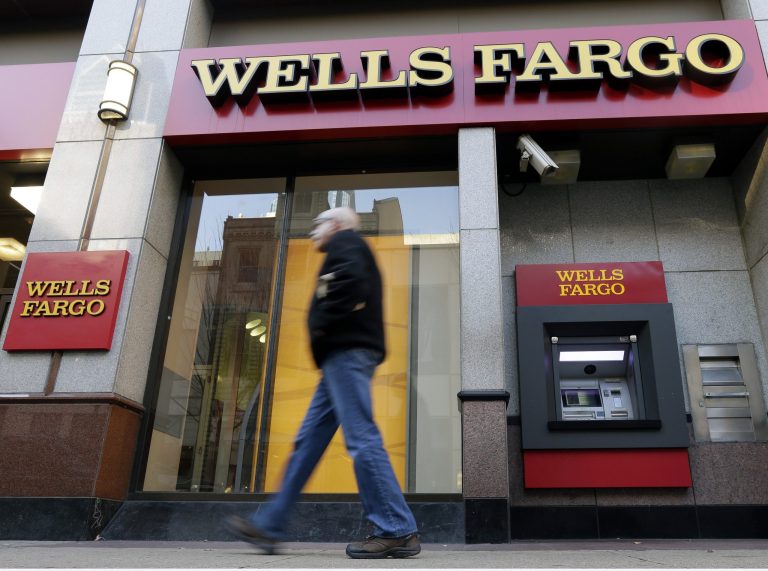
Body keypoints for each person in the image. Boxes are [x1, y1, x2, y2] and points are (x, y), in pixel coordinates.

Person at [226, 206, 420, 559]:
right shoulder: (344, 248)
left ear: (336, 225)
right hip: (339, 358)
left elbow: (349, 284)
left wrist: (322, 324)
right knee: (308, 444)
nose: (314, 230)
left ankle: (396, 528)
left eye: (318, 224)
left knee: (361, 439)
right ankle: (270, 525)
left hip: (347, 352)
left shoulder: (346, 243)